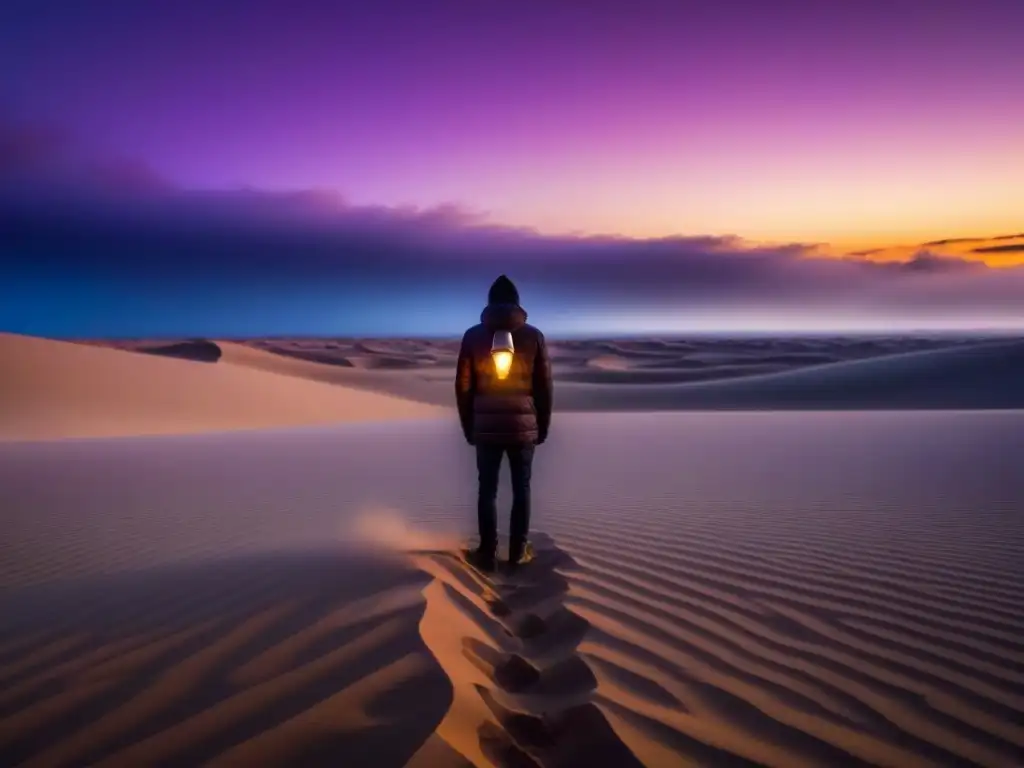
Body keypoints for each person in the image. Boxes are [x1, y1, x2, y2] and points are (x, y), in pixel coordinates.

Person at [455, 275, 553, 572]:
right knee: (521, 488)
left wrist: (468, 426)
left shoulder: (473, 336)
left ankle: (487, 551)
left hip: (485, 427)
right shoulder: (534, 336)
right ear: (517, 303)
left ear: (489, 303)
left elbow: (462, 386)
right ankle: (518, 550)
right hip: (523, 427)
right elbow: (544, 386)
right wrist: (543, 426)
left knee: (488, 489)